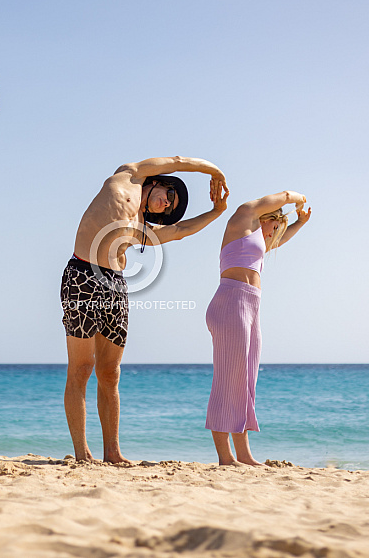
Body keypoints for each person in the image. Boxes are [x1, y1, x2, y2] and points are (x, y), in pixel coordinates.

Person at [62, 156, 229, 464]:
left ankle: (112, 452)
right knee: (82, 369)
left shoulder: (141, 230)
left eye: (168, 207)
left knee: (110, 373)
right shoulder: (130, 175)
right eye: (169, 196)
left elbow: (180, 231)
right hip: (82, 274)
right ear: (158, 182)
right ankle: (82, 453)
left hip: (116, 284)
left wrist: (216, 211)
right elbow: (178, 160)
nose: (166, 203)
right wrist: (212, 169)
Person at [205, 191, 311, 466]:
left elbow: (278, 242)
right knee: (228, 379)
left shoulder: (257, 242)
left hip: (251, 307)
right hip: (231, 301)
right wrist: (298, 199)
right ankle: (225, 457)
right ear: (267, 216)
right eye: (275, 225)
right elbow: (285, 195)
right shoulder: (243, 217)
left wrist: (300, 223)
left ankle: (244, 455)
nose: (275, 233)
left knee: (246, 380)